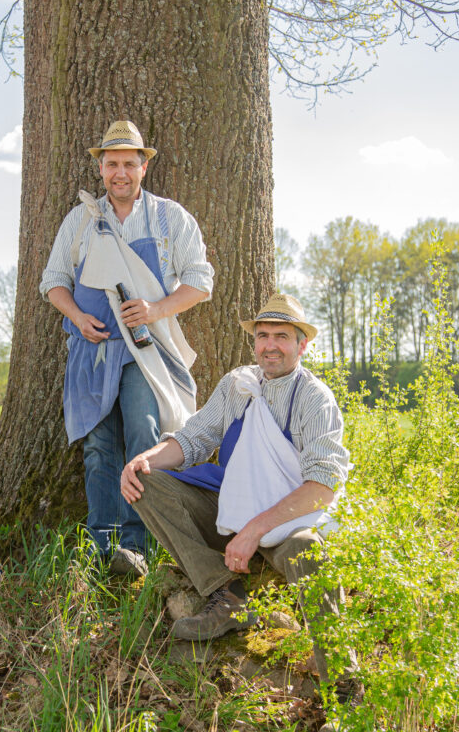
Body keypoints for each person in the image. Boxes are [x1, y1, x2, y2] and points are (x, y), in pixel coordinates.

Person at [120, 293, 357, 684]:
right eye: (262, 335)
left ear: (303, 344)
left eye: (282, 336)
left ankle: (345, 685)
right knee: (145, 482)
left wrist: (255, 530)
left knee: (309, 549)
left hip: (288, 522)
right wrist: (142, 460)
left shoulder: (315, 400)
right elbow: (192, 439)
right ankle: (226, 594)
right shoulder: (238, 385)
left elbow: (322, 488)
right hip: (233, 511)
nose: (270, 345)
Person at [40, 120, 213, 578]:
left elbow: (200, 281)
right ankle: (101, 546)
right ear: (101, 169)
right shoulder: (81, 219)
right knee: (99, 446)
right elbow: (53, 282)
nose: (121, 173)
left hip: (146, 350)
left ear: (143, 167)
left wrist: (155, 309)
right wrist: (78, 318)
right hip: (92, 351)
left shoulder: (168, 218)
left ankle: (136, 547)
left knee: (144, 434)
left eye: (129, 164)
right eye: (112, 164)